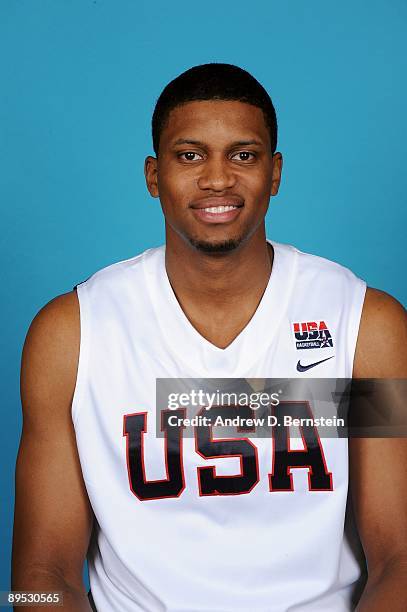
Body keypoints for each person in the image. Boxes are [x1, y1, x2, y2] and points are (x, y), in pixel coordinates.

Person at [12, 63, 407, 611]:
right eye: (190, 155)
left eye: (243, 155)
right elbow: (37, 576)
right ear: (153, 176)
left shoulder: (362, 325)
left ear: (275, 173)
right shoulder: (72, 334)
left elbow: (400, 559)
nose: (218, 179)